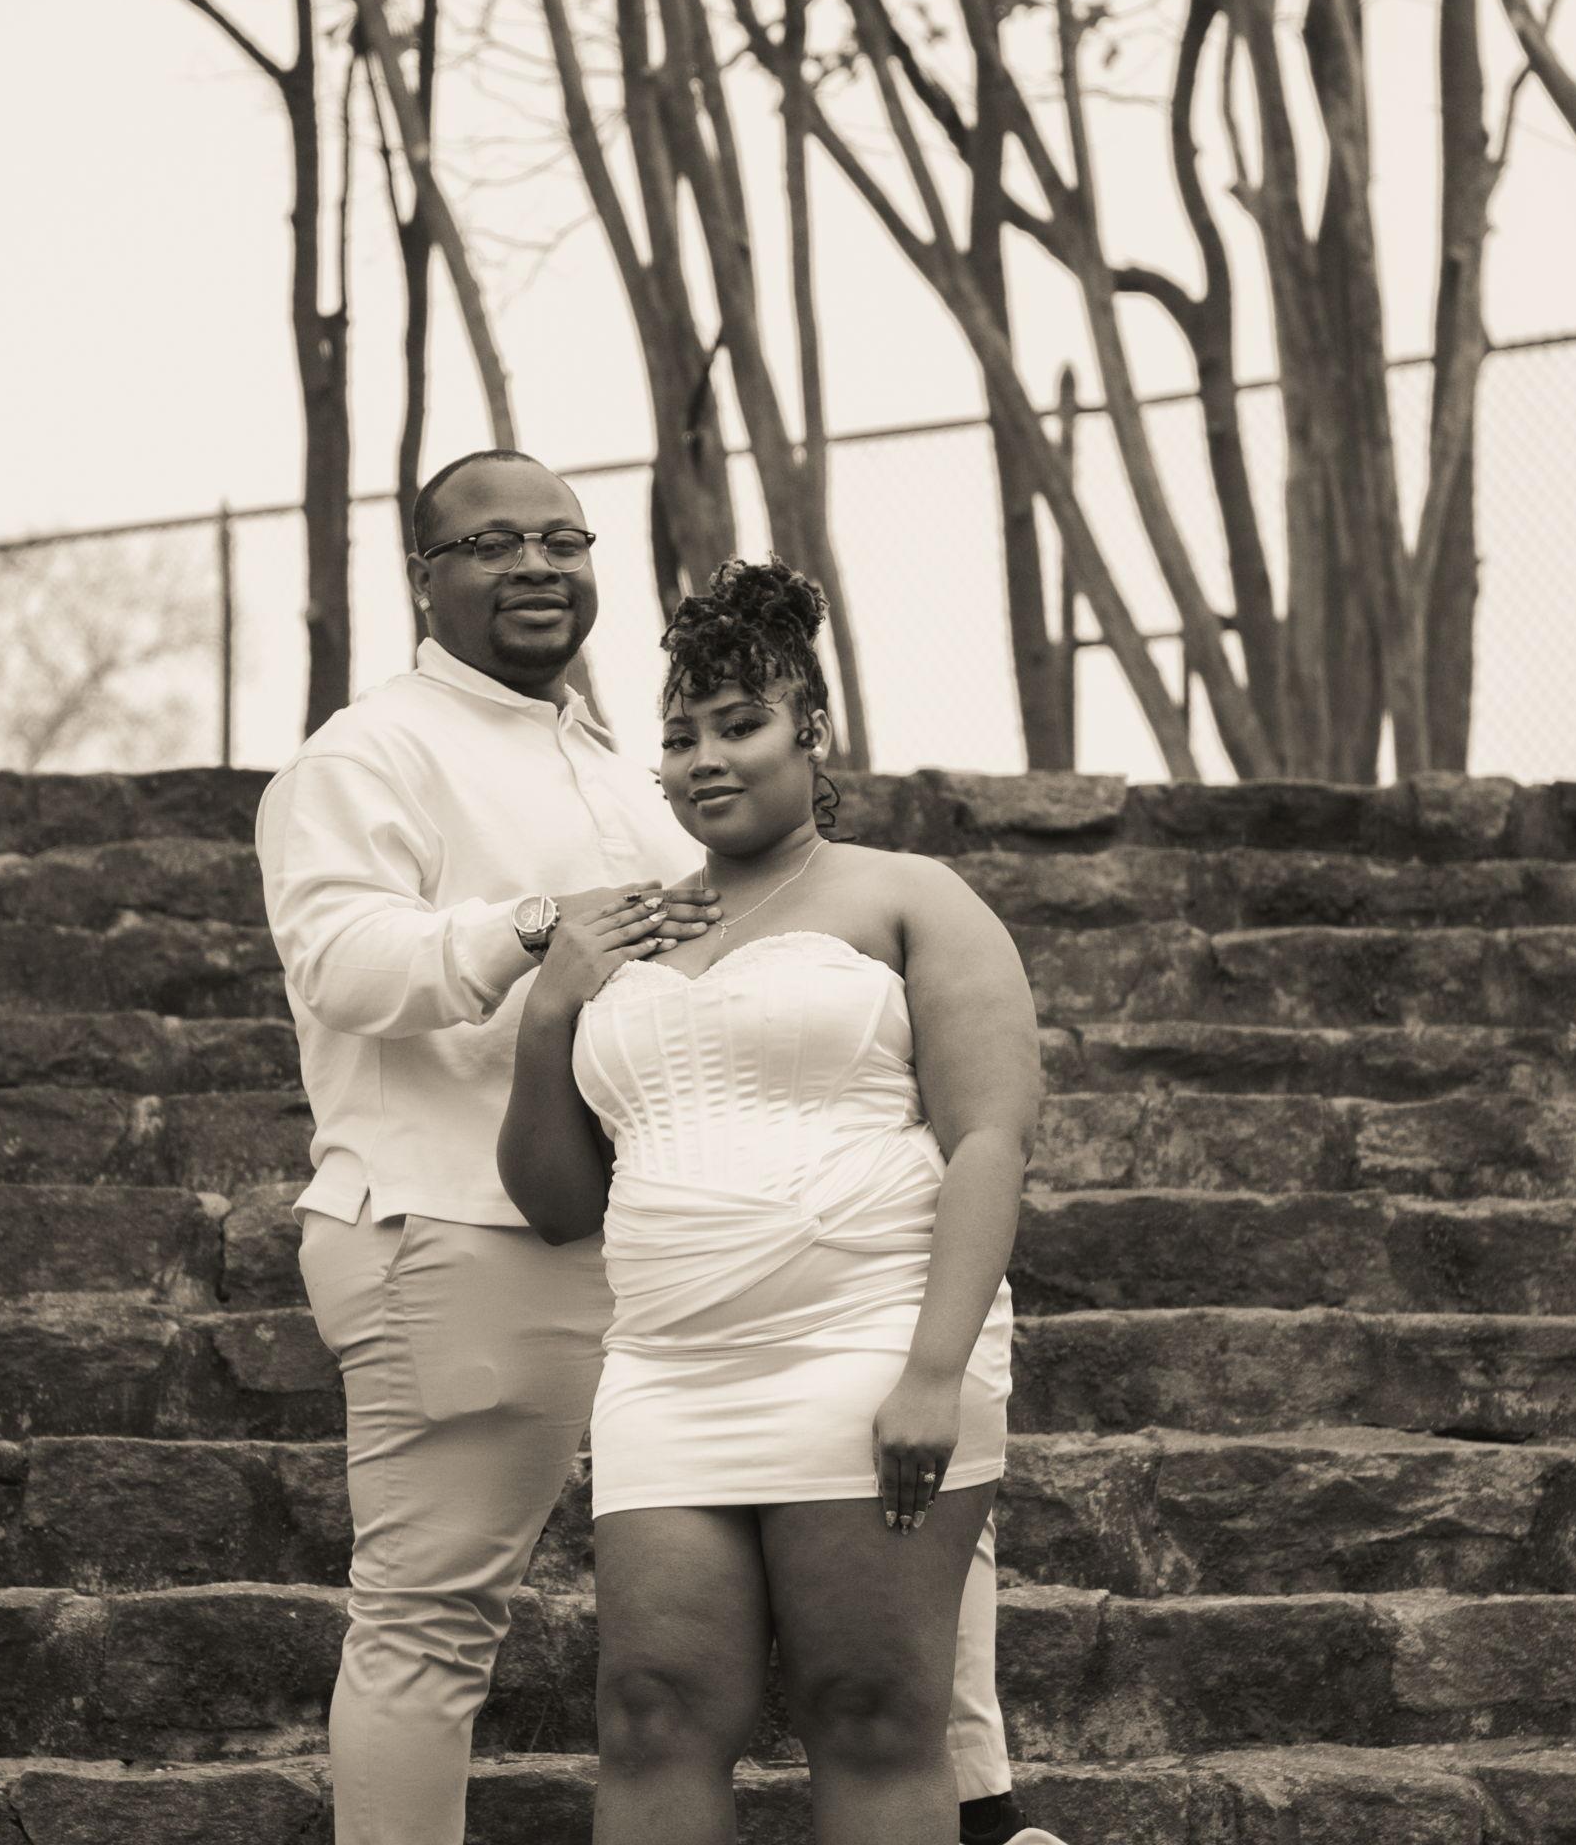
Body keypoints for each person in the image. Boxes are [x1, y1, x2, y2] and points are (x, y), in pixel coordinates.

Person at [256, 452, 1055, 1845]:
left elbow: (974, 1119)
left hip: (784, 1296)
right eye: (492, 543)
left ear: (811, 733)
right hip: (474, 1237)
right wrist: (536, 945)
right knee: (471, 1636)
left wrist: (935, 1358)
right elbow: (340, 961)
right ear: (422, 577)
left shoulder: (631, 777)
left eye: (562, 539)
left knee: (887, 1669)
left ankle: (983, 1821)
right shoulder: (365, 753)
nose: (535, 564)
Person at [497, 557, 1051, 1845]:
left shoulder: (911, 896)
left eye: (739, 723)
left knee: (870, 1711)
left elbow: (990, 1141)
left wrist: (933, 1372)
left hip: (870, 1347)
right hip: (668, 1369)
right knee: (650, 1711)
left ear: (813, 732)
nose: (705, 758)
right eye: (679, 735)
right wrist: (551, 1007)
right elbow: (558, 1202)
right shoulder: (632, 932)